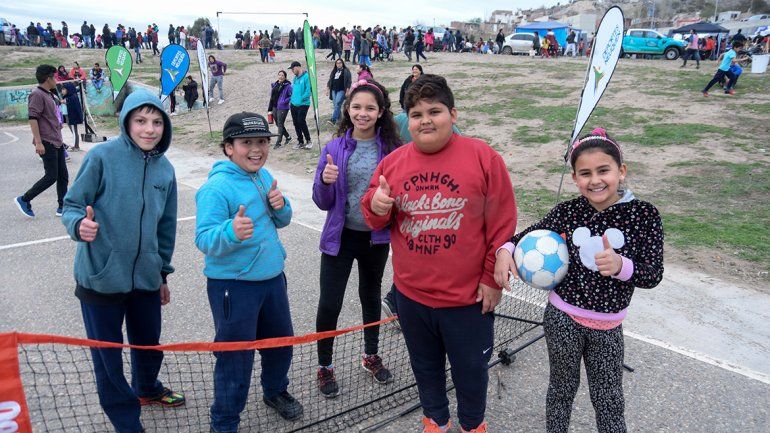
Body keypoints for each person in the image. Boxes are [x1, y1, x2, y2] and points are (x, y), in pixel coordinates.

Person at [361, 74, 516, 433]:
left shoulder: (482, 157)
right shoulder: (393, 163)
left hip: (468, 301)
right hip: (412, 297)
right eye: (416, 114)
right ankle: (436, 420)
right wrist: (378, 203)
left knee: (471, 372)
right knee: (425, 367)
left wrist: (492, 279)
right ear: (406, 120)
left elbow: (502, 222)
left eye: (435, 111)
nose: (425, 120)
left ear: (453, 114)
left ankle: (473, 425)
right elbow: (372, 215)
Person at [495, 127, 663, 433]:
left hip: (608, 327)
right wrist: (506, 249)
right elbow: (526, 235)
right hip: (562, 320)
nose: (595, 180)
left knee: (608, 398)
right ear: (575, 178)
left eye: (603, 170)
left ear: (621, 171)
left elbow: (653, 274)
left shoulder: (644, 215)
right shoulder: (567, 211)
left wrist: (621, 265)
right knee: (561, 390)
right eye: (585, 173)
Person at [60, 88, 185, 433]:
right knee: (108, 360)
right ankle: (127, 421)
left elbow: (166, 228)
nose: (149, 129)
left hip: (146, 278)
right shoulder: (102, 157)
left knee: (149, 345)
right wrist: (78, 225)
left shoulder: (166, 170)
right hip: (100, 277)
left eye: (157, 122)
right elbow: (71, 205)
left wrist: (162, 274)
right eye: (141, 120)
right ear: (126, 122)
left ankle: (147, 388)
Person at [195, 112, 303, 432]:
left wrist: (281, 206)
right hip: (234, 286)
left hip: (272, 280)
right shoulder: (216, 188)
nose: (256, 149)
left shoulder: (264, 175)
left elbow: (281, 220)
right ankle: (225, 422)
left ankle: (274, 391)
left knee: (280, 343)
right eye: (246, 143)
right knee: (235, 358)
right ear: (228, 147)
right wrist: (230, 231)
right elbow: (203, 238)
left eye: (261, 142)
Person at [312, 79, 402, 398]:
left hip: (375, 240)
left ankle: (370, 355)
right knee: (329, 303)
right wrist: (325, 181)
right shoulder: (334, 148)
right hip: (339, 238)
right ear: (347, 110)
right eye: (356, 107)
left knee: (371, 298)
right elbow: (321, 201)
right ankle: (325, 367)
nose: (362, 113)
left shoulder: (392, 150)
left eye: (369, 108)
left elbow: (401, 195)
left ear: (380, 113)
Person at [15, 65, 69, 219]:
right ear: (48, 78)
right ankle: (24, 199)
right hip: (46, 141)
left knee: (63, 175)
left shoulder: (49, 94)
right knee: (51, 176)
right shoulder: (37, 94)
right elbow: (33, 119)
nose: (57, 80)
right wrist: (38, 142)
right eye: (55, 77)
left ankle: (62, 206)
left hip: (56, 140)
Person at [289, 61, 312, 149]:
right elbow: (293, 90)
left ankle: (309, 140)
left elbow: (308, 90)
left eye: (293, 69)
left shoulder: (306, 77)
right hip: (293, 104)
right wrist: (292, 99)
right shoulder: (295, 78)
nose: (292, 71)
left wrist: (301, 98)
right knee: (296, 123)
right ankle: (300, 142)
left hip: (303, 103)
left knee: (301, 121)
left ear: (298, 67)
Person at [267, 70, 293, 148]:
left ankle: (278, 143)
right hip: (275, 106)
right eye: (279, 75)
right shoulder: (275, 84)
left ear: (285, 77)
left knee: (280, 124)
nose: (280, 76)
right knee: (278, 124)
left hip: (283, 107)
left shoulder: (288, 86)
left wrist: (285, 101)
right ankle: (288, 137)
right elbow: (272, 97)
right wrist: (270, 108)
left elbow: (292, 95)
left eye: (282, 75)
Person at [326, 59, 352, 124]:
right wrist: (327, 89)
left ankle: (333, 120)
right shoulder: (334, 71)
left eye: (340, 63)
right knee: (336, 105)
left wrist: (348, 90)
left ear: (342, 63)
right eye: (337, 63)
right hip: (334, 90)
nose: (339, 64)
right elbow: (330, 80)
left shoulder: (346, 71)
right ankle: (340, 120)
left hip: (342, 90)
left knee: (337, 103)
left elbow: (349, 81)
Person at [60, 82, 83, 151]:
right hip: (68, 117)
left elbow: (70, 104)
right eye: (62, 89)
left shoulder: (72, 97)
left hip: (72, 117)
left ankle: (76, 146)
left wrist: (64, 102)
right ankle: (75, 146)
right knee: (73, 131)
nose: (62, 91)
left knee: (74, 131)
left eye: (64, 89)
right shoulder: (67, 97)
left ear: (69, 89)